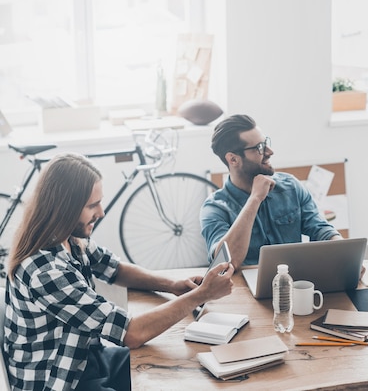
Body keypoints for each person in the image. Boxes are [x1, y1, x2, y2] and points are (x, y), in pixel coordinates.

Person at [4, 153, 234, 391]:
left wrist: (172, 284)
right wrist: (201, 295)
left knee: (181, 366)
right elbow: (131, 333)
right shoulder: (46, 271)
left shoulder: (68, 238)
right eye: (92, 205)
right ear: (65, 208)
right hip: (60, 380)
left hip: (86, 357)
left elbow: (114, 269)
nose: (101, 212)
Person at [200, 114, 342, 269]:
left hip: (291, 282)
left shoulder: (291, 187)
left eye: (265, 143)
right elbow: (224, 263)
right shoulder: (215, 208)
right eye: (259, 148)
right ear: (233, 159)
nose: (269, 151)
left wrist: (343, 251)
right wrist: (255, 199)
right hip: (243, 289)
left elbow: (319, 228)